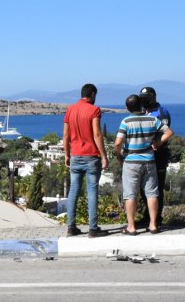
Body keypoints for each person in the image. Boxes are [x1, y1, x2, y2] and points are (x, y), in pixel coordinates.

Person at [115, 94, 174, 235]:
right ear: (141, 105)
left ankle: (131, 227)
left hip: (131, 161)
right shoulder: (152, 119)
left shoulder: (126, 121)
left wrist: (119, 156)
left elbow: (118, 143)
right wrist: (158, 143)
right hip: (149, 160)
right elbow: (169, 132)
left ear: (128, 108)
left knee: (130, 195)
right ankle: (153, 225)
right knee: (152, 193)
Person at [63, 83, 109, 238]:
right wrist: (104, 156)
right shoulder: (94, 110)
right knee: (92, 192)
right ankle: (92, 228)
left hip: (75, 156)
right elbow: (97, 134)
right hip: (91, 157)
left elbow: (66, 135)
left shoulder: (70, 109)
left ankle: (71, 227)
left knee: (73, 191)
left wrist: (67, 154)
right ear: (93, 94)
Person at [139, 86, 172, 227]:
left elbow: (166, 132)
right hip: (143, 154)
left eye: (146, 98)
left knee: (156, 186)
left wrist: (158, 143)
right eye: (142, 98)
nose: (144, 101)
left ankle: (157, 218)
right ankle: (147, 216)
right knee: (143, 187)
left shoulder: (162, 112)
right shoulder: (141, 111)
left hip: (159, 154)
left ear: (153, 97)